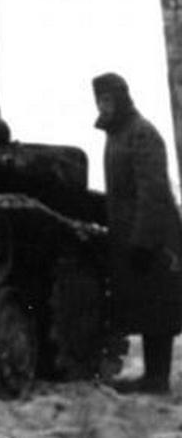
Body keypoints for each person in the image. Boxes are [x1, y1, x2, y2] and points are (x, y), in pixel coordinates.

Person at [94, 72, 182, 394]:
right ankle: (153, 376)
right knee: (147, 306)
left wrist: (143, 241)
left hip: (155, 236)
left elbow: (152, 191)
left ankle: (157, 379)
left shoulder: (141, 134)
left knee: (157, 308)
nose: (103, 106)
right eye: (99, 100)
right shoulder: (118, 135)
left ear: (122, 98)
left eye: (108, 99)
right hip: (134, 235)